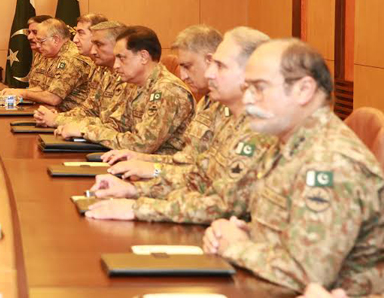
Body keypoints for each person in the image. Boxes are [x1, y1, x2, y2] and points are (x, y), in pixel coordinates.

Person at [203, 39, 384, 296]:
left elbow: (309, 273)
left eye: (259, 88)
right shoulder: (286, 142)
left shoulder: (330, 161)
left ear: (304, 90)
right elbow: (289, 232)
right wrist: (246, 233)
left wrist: (235, 246)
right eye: (247, 88)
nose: (248, 98)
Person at [84, 27, 276, 224]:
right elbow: (196, 175)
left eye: (220, 66)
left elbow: (224, 206)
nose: (210, 73)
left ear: (251, 74)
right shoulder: (220, 107)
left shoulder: (260, 127)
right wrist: (135, 189)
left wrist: (139, 205)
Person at [55, 25, 194, 155]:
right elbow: (115, 124)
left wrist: (85, 131)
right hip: (134, 164)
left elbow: (141, 145)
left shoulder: (167, 90)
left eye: (122, 58)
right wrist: (77, 126)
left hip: (161, 171)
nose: (115, 66)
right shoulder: (134, 85)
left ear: (143, 57)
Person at [35, 20, 128, 128]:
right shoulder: (105, 72)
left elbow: (115, 125)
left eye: (99, 44)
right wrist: (59, 117)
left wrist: (58, 120)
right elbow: (89, 110)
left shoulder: (129, 78)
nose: (93, 51)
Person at [0, 18, 94, 111]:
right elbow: (43, 88)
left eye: (41, 42)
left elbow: (53, 98)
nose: (38, 46)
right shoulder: (54, 55)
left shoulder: (71, 58)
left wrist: (22, 93)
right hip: (53, 113)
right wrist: (14, 91)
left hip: (69, 116)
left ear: (55, 40)